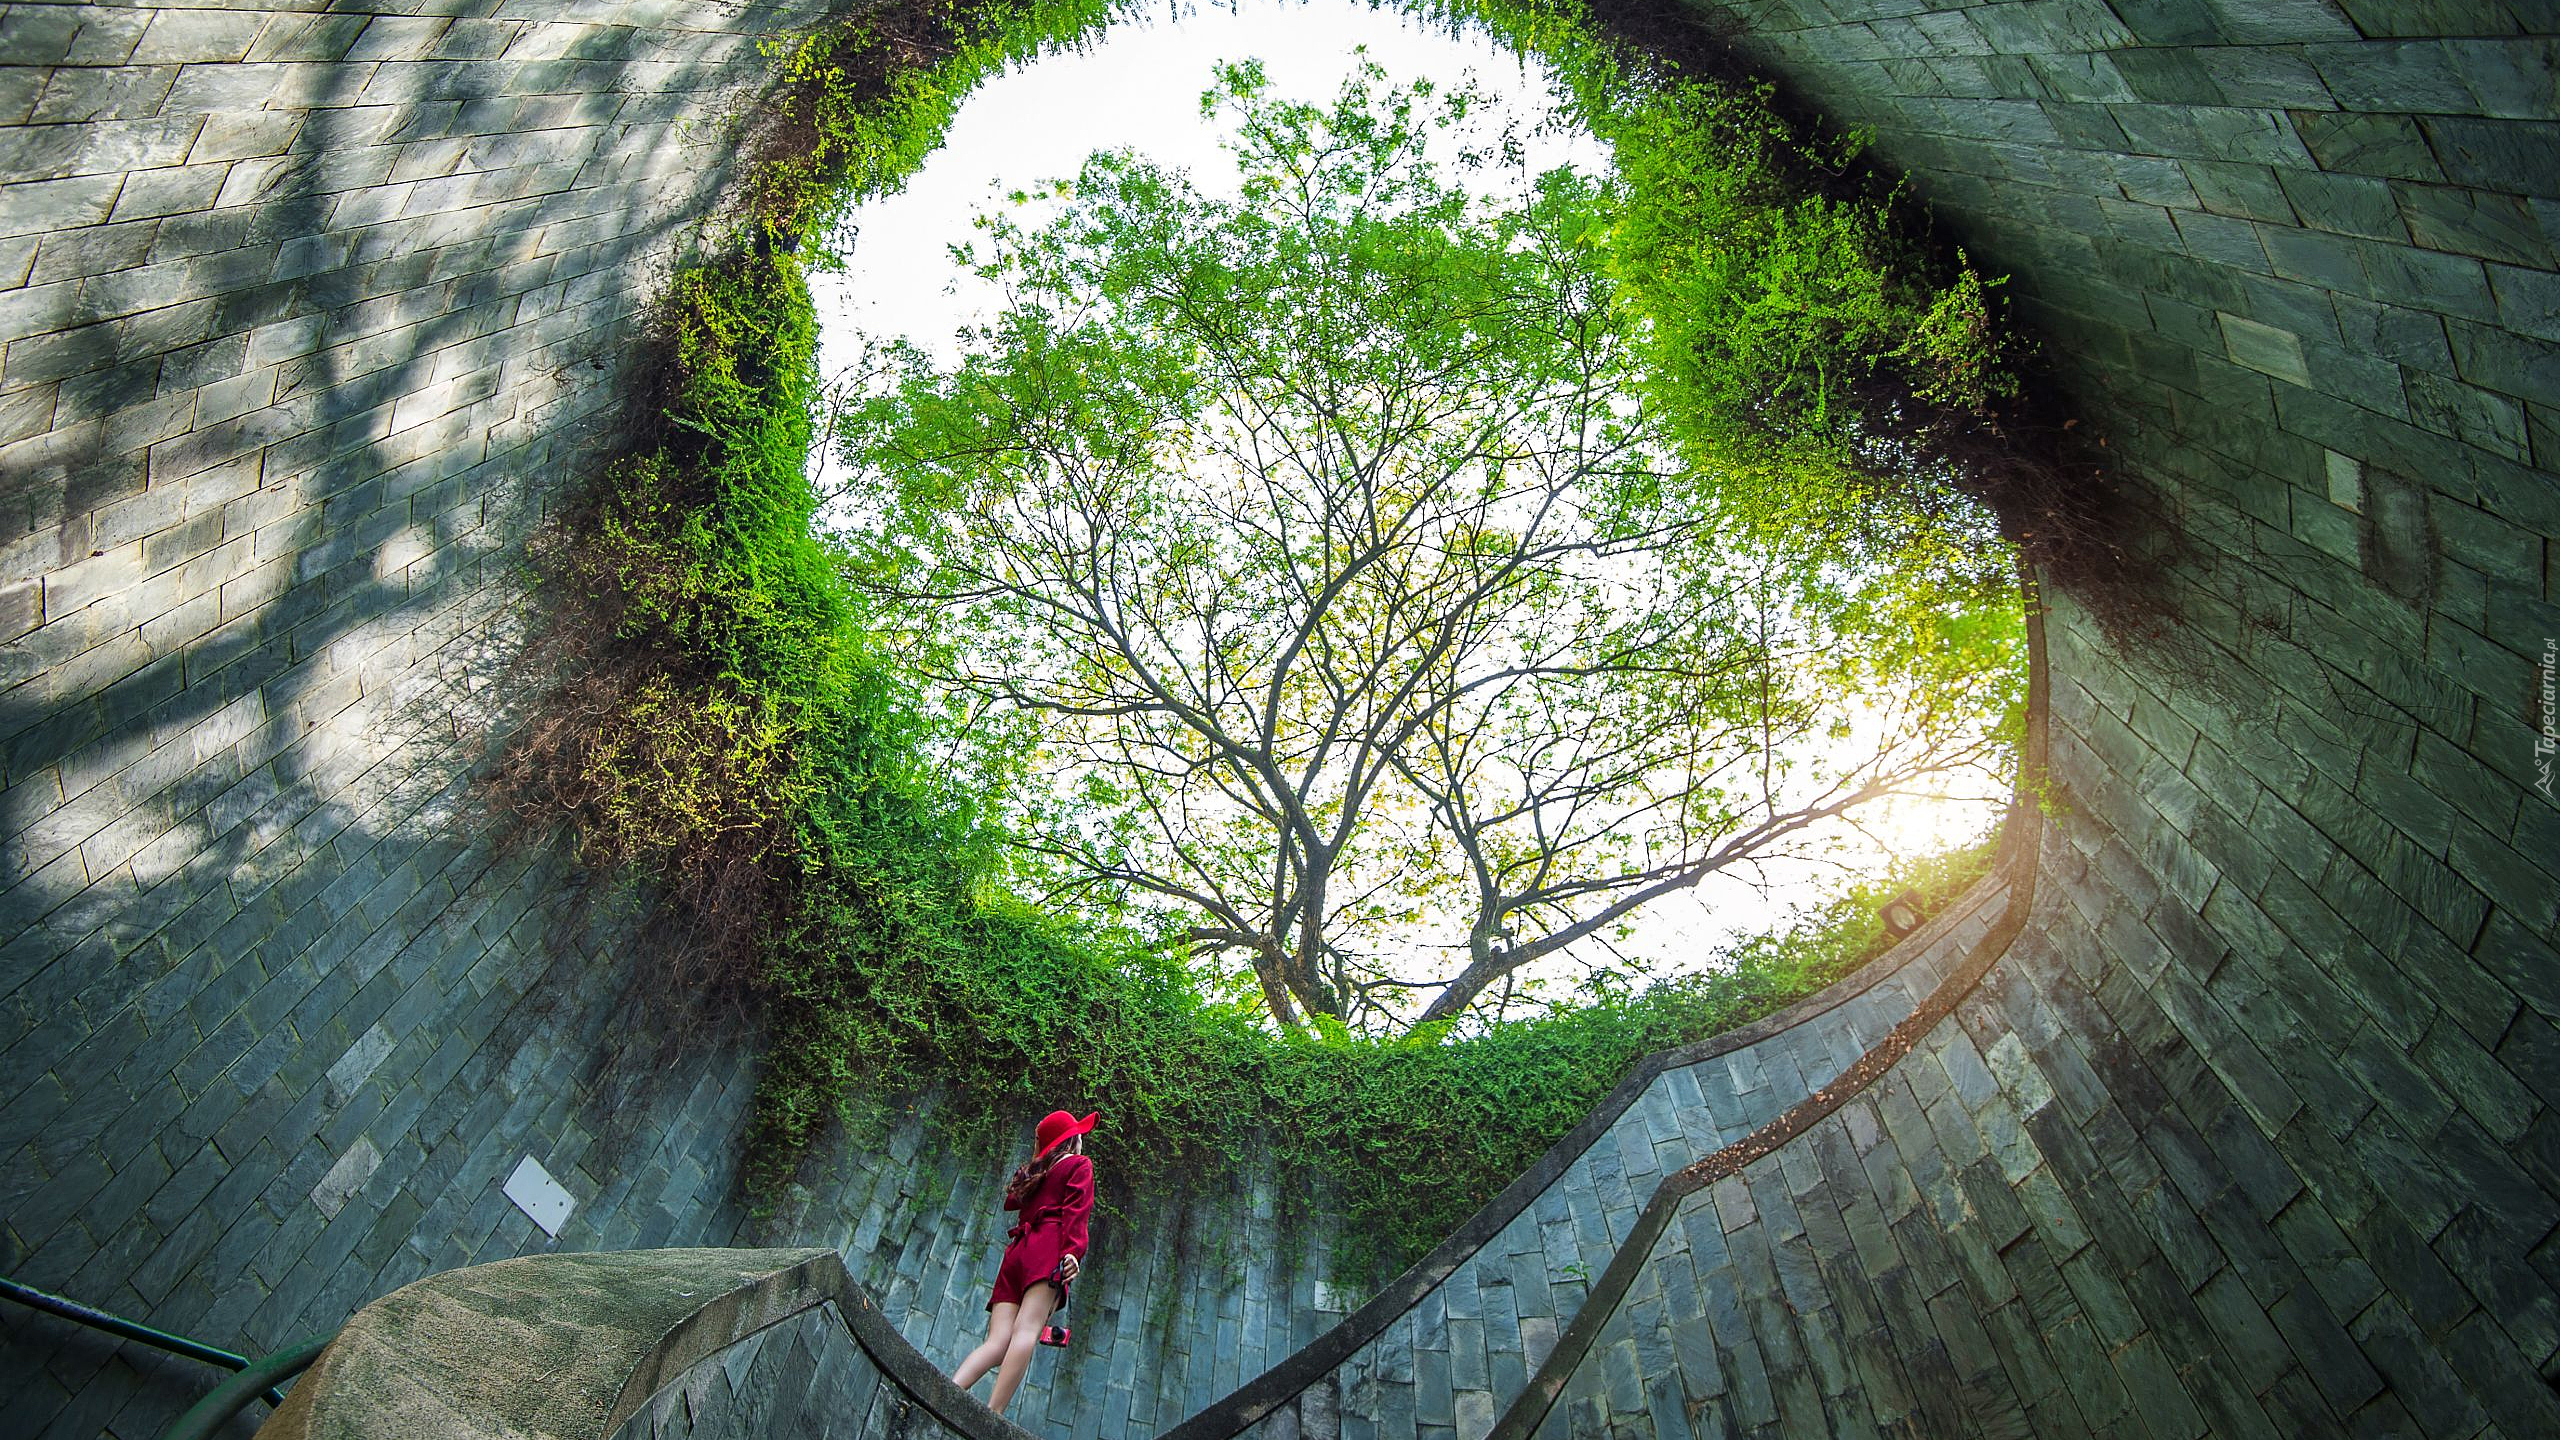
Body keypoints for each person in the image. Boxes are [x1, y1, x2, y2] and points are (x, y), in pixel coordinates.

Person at [952, 1108, 1097, 1414]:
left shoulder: (1035, 1174)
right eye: (1079, 1136)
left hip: (1017, 1253)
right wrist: (1073, 1252)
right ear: (1070, 1142)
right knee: (1026, 1331)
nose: (1083, 1142)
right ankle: (993, 1416)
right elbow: (1075, 1211)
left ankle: (946, 1390)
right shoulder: (1079, 1165)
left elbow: (1017, 1203)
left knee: (997, 1342)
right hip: (1047, 1249)